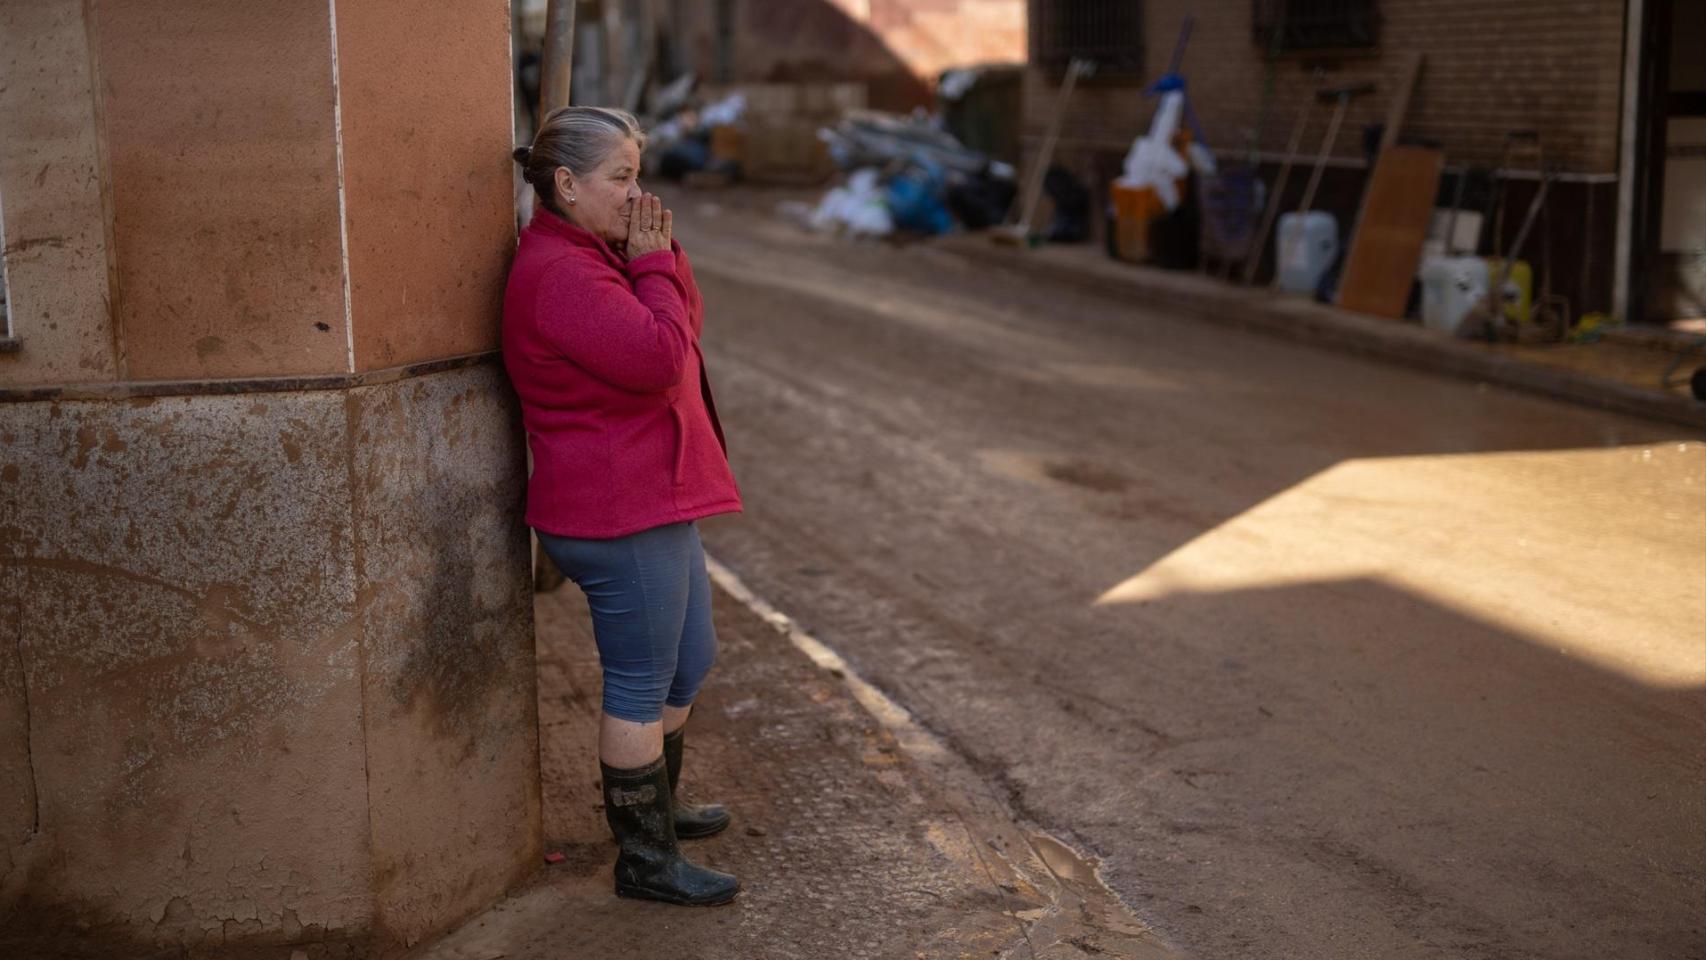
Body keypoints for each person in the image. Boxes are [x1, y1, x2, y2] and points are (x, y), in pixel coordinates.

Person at [504, 106, 742, 907]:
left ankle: (658, 809)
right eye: (622, 178)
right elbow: (661, 360)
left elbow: (683, 327)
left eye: (638, 175)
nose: (638, 196)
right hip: (616, 510)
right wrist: (651, 265)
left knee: (691, 658)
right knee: (641, 681)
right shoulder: (563, 274)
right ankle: (644, 858)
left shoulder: (598, 253)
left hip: (653, 495)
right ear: (567, 185)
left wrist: (659, 258)